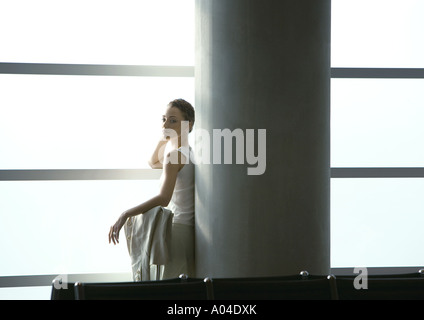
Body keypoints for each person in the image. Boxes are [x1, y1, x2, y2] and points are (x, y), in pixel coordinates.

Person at [108, 99, 195, 279]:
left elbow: (164, 199)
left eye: (172, 120)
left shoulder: (174, 156)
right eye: (163, 119)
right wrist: (165, 136)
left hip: (177, 232)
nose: (165, 124)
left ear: (188, 125)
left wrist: (126, 214)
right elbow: (153, 162)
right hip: (188, 232)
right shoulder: (188, 153)